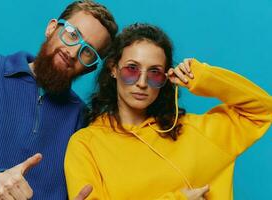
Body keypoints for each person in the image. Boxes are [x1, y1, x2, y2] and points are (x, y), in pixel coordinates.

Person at [64, 23, 272, 199]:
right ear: (113, 69)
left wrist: (202, 77)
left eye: (154, 73)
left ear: (166, 78)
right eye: (131, 69)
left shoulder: (197, 132)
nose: (142, 82)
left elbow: (264, 110)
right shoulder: (86, 144)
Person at [0, 0, 118, 199]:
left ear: (90, 68)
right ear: (51, 28)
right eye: (72, 34)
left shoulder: (80, 118)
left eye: (87, 52)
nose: (73, 52)